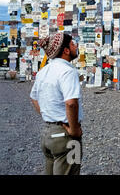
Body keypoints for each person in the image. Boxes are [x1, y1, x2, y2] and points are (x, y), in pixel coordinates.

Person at [30, 33, 83, 175]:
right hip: (66, 135)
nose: (76, 46)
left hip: (47, 133)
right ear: (65, 50)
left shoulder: (43, 71)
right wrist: (73, 129)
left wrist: (49, 115)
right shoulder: (68, 71)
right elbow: (71, 103)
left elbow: (34, 98)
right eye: (73, 44)